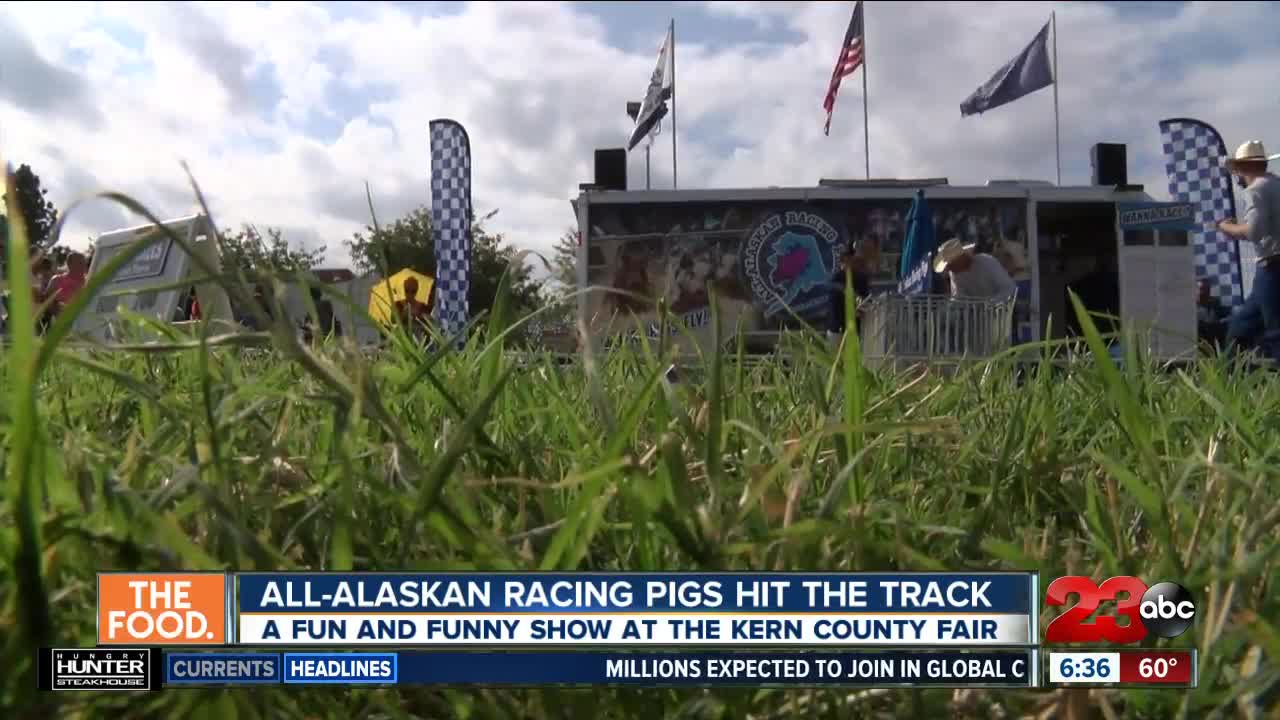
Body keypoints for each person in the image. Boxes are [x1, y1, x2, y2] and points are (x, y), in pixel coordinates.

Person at [1216, 140, 1280, 360]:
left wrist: (1226, 227)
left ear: (1244, 167)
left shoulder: (1255, 190)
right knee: (1242, 324)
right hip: (1270, 269)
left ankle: (1228, 379)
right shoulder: (1276, 184)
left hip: (1272, 267)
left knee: (1273, 331)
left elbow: (1253, 231)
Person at [932, 238, 1017, 301]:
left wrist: (992, 303)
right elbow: (959, 299)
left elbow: (1009, 288)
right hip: (978, 319)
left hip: (1002, 315)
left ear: (960, 259)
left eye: (950, 265)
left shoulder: (986, 262)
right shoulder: (955, 275)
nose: (948, 269)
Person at [828, 243, 872, 334]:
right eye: (846, 258)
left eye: (851, 258)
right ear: (841, 260)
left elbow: (867, 302)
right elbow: (836, 301)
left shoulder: (861, 279)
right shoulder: (836, 278)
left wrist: (862, 306)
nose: (849, 261)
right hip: (837, 329)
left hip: (855, 329)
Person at [47, 251, 88, 316]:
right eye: (79, 263)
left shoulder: (89, 280)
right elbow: (47, 304)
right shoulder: (56, 280)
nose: (83, 266)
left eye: (84, 263)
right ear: (69, 264)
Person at [1196, 279, 1228, 350]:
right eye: (1201, 289)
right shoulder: (1191, 307)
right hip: (1202, 343)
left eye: (1207, 289)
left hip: (1217, 339)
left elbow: (1223, 315)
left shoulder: (1215, 302)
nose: (1204, 292)